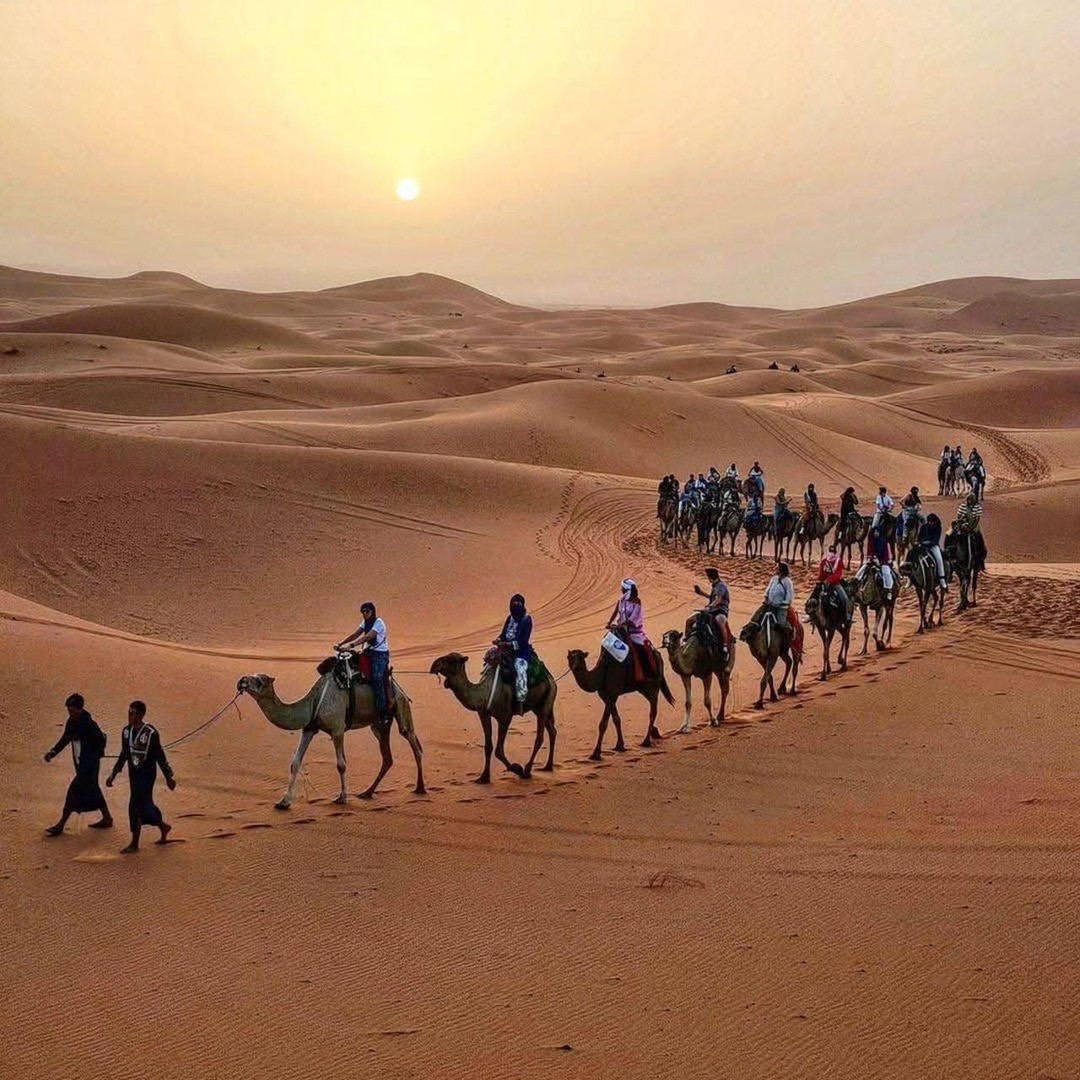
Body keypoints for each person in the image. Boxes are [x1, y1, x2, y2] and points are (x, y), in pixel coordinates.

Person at [106, 701, 176, 854]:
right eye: (130, 713)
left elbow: (160, 757)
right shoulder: (126, 732)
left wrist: (168, 777)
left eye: (135, 714)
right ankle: (162, 826)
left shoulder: (151, 733)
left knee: (135, 805)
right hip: (134, 774)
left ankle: (134, 843)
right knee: (144, 806)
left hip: (147, 774)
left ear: (142, 715)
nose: (132, 717)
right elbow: (124, 754)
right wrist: (113, 774)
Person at [43, 693, 112, 836]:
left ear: (80, 709)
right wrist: (54, 751)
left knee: (72, 793)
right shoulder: (72, 722)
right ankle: (107, 818)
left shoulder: (90, 725)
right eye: (69, 710)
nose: (70, 713)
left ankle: (61, 825)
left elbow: (101, 740)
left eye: (72, 710)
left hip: (89, 766)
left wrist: (94, 756)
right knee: (94, 791)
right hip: (81, 764)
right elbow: (65, 738)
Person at [337, 601, 392, 728]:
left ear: (373, 612)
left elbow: (367, 637)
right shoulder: (365, 622)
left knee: (377, 678)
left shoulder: (379, 623)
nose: (365, 614)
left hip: (380, 654)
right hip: (369, 652)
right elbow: (356, 634)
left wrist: (351, 645)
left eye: (367, 611)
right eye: (363, 612)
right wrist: (341, 644)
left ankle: (383, 713)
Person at [607, 579, 656, 680]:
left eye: (622, 589)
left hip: (634, 631)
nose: (621, 590)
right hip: (621, 629)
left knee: (640, 649)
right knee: (608, 643)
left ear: (626, 590)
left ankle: (648, 673)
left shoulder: (637, 602)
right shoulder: (621, 600)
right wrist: (609, 623)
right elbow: (616, 612)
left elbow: (633, 618)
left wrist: (620, 625)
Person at [495, 594, 533, 713]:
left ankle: (521, 701)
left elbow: (523, 640)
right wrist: (499, 640)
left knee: (520, 669)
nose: (515, 606)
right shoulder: (509, 618)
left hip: (521, 652)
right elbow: (503, 633)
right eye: (513, 603)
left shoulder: (526, 620)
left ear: (522, 605)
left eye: (518, 604)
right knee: (490, 660)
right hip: (505, 650)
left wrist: (509, 645)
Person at [693, 567, 730, 654]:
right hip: (711, 611)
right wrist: (701, 593)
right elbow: (712, 598)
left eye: (709, 577)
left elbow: (718, 599)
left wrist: (709, 606)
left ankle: (725, 645)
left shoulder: (721, 586)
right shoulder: (715, 586)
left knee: (719, 621)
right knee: (694, 620)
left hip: (720, 610)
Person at [858, 526, 895, 601]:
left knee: (886, 572)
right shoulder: (871, 540)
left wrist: (880, 561)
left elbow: (885, 554)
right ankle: (856, 586)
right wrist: (870, 558)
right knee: (862, 570)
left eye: (877, 532)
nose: (875, 533)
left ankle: (889, 590)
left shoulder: (883, 541)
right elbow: (870, 550)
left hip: (882, 561)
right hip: (872, 560)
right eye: (874, 532)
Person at [815, 544, 849, 615]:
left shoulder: (838, 561)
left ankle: (846, 616)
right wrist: (819, 580)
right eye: (830, 552)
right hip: (824, 583)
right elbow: (821, 573)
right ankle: (812, 614)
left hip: (835, 584)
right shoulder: (824, 561)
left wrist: (829, 580)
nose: (831, 554)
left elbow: (838, 574)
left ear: (835, 553)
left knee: (844, 599)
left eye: (833, 552)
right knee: (813, 597)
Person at [917, 512, 948, 590]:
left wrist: (930, 543)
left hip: (933, 546)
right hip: (923, 546)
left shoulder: (938, 527)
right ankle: (911, 578)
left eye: (931, 521)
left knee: (939, 559)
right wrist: (920, 543)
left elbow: (936, 539)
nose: (930, 523)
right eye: (929, 521)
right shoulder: (924, 526)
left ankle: (942, 579)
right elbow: (919, 537)